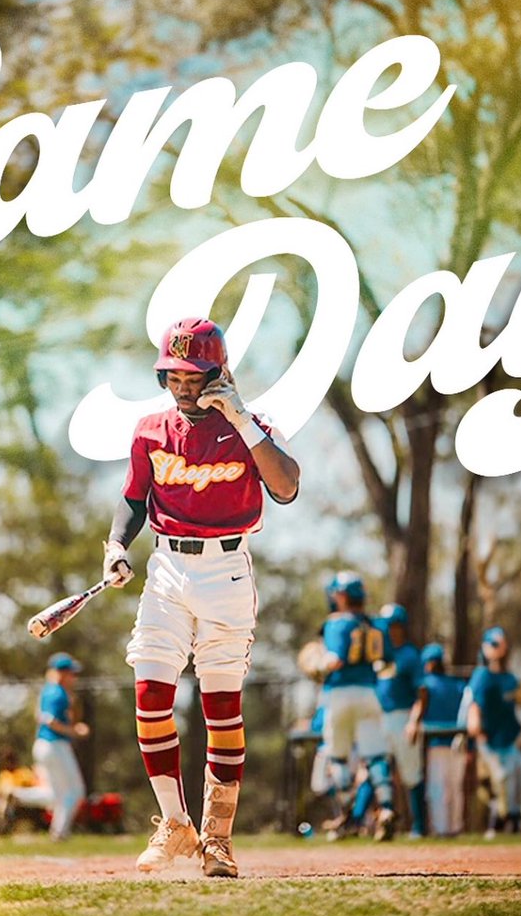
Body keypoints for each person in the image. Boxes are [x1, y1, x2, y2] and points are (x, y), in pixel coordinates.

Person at [102, 316, 300, 878]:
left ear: (220, 371)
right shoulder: (149, 429)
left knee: (221, 705)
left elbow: (285, 487)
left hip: (228, 571)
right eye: (175, 376)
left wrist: (238, 414)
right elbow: (134, 498)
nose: (184, 387)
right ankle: (175, 823)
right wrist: (117, 546)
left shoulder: (252, 426)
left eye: (195, 376)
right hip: (166, 567)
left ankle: (218, 837)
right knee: (149, 687)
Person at [318, 572, 394, 840]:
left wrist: (316, 665)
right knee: (375, 755)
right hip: (369, 692)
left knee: (338, 756)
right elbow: (387, 663)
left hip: (340, 693)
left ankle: (348, 813)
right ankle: (385, 807)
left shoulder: (337, 623)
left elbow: (335, 660)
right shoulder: (376, 625)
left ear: (341, 595)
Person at [466, 625, 521, 837]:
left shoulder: (511, 679)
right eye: (492, 644)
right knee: (500, 779)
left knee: (519, 777)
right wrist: (475, 727)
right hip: (490, 740)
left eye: (500, 644)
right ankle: (497, 823)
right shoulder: (482, 676)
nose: (497, 648)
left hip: (510, 739)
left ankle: (514, 820)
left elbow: (520, 709)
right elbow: (474, 706)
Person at [374, 603, 428, 839]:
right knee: (377, 770)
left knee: (411, 775)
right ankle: (373, 822)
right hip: (379, 718)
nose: (390, 630)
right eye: (387, 626)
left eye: (394, 626)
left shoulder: (410, 655)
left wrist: (414, 721)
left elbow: (422, 693)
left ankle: (419, 827)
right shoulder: (378, 655)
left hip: (403, 716)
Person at [32, 652, 90, 842]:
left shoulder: (48, 690)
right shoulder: (58, 693)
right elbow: (50, 721)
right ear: (62, 673)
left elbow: (38, 715)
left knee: (57, 794)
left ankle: (20, 797)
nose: (74, 677)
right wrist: (75, 731)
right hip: (55, 744)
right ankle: (60, 832)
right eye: (71, 673)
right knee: (75, 790)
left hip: (43, 744)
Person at [420, 643, 467, 836]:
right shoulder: (459, 685)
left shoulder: (426, 685)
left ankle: (440, 828)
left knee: (438, 789)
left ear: (430, 664)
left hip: (437, 744)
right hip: (458, 744)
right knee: (455, 788)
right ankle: (455, 827)